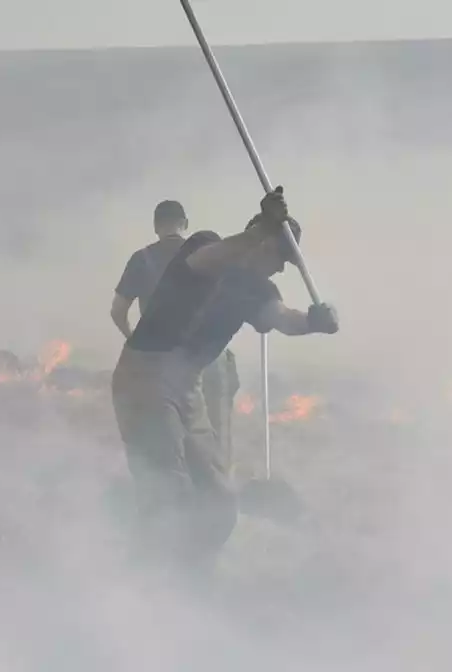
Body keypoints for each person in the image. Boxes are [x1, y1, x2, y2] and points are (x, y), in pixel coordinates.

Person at [111, 187, 338, 572]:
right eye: (280, 255)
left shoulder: (257, 290)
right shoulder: (206, 246)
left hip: (188, 385)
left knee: (219, 501)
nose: (281, 267)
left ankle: (192, 573)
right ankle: (143, 579)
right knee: (167, 489)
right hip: (144, 375)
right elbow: (207, 261)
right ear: (260, 239)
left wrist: (314, 323)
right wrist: (259, 231)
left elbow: (284, 319)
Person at [111, 201, 241, 477]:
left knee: (168, 438)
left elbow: (117, 311)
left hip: (163, 363)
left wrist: (136, 341)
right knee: (218, 433)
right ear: (186, 223)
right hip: (210, 358)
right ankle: (222, 494)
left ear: (156, 226)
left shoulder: (142, 259)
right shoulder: (211, 255)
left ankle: (180, 504)